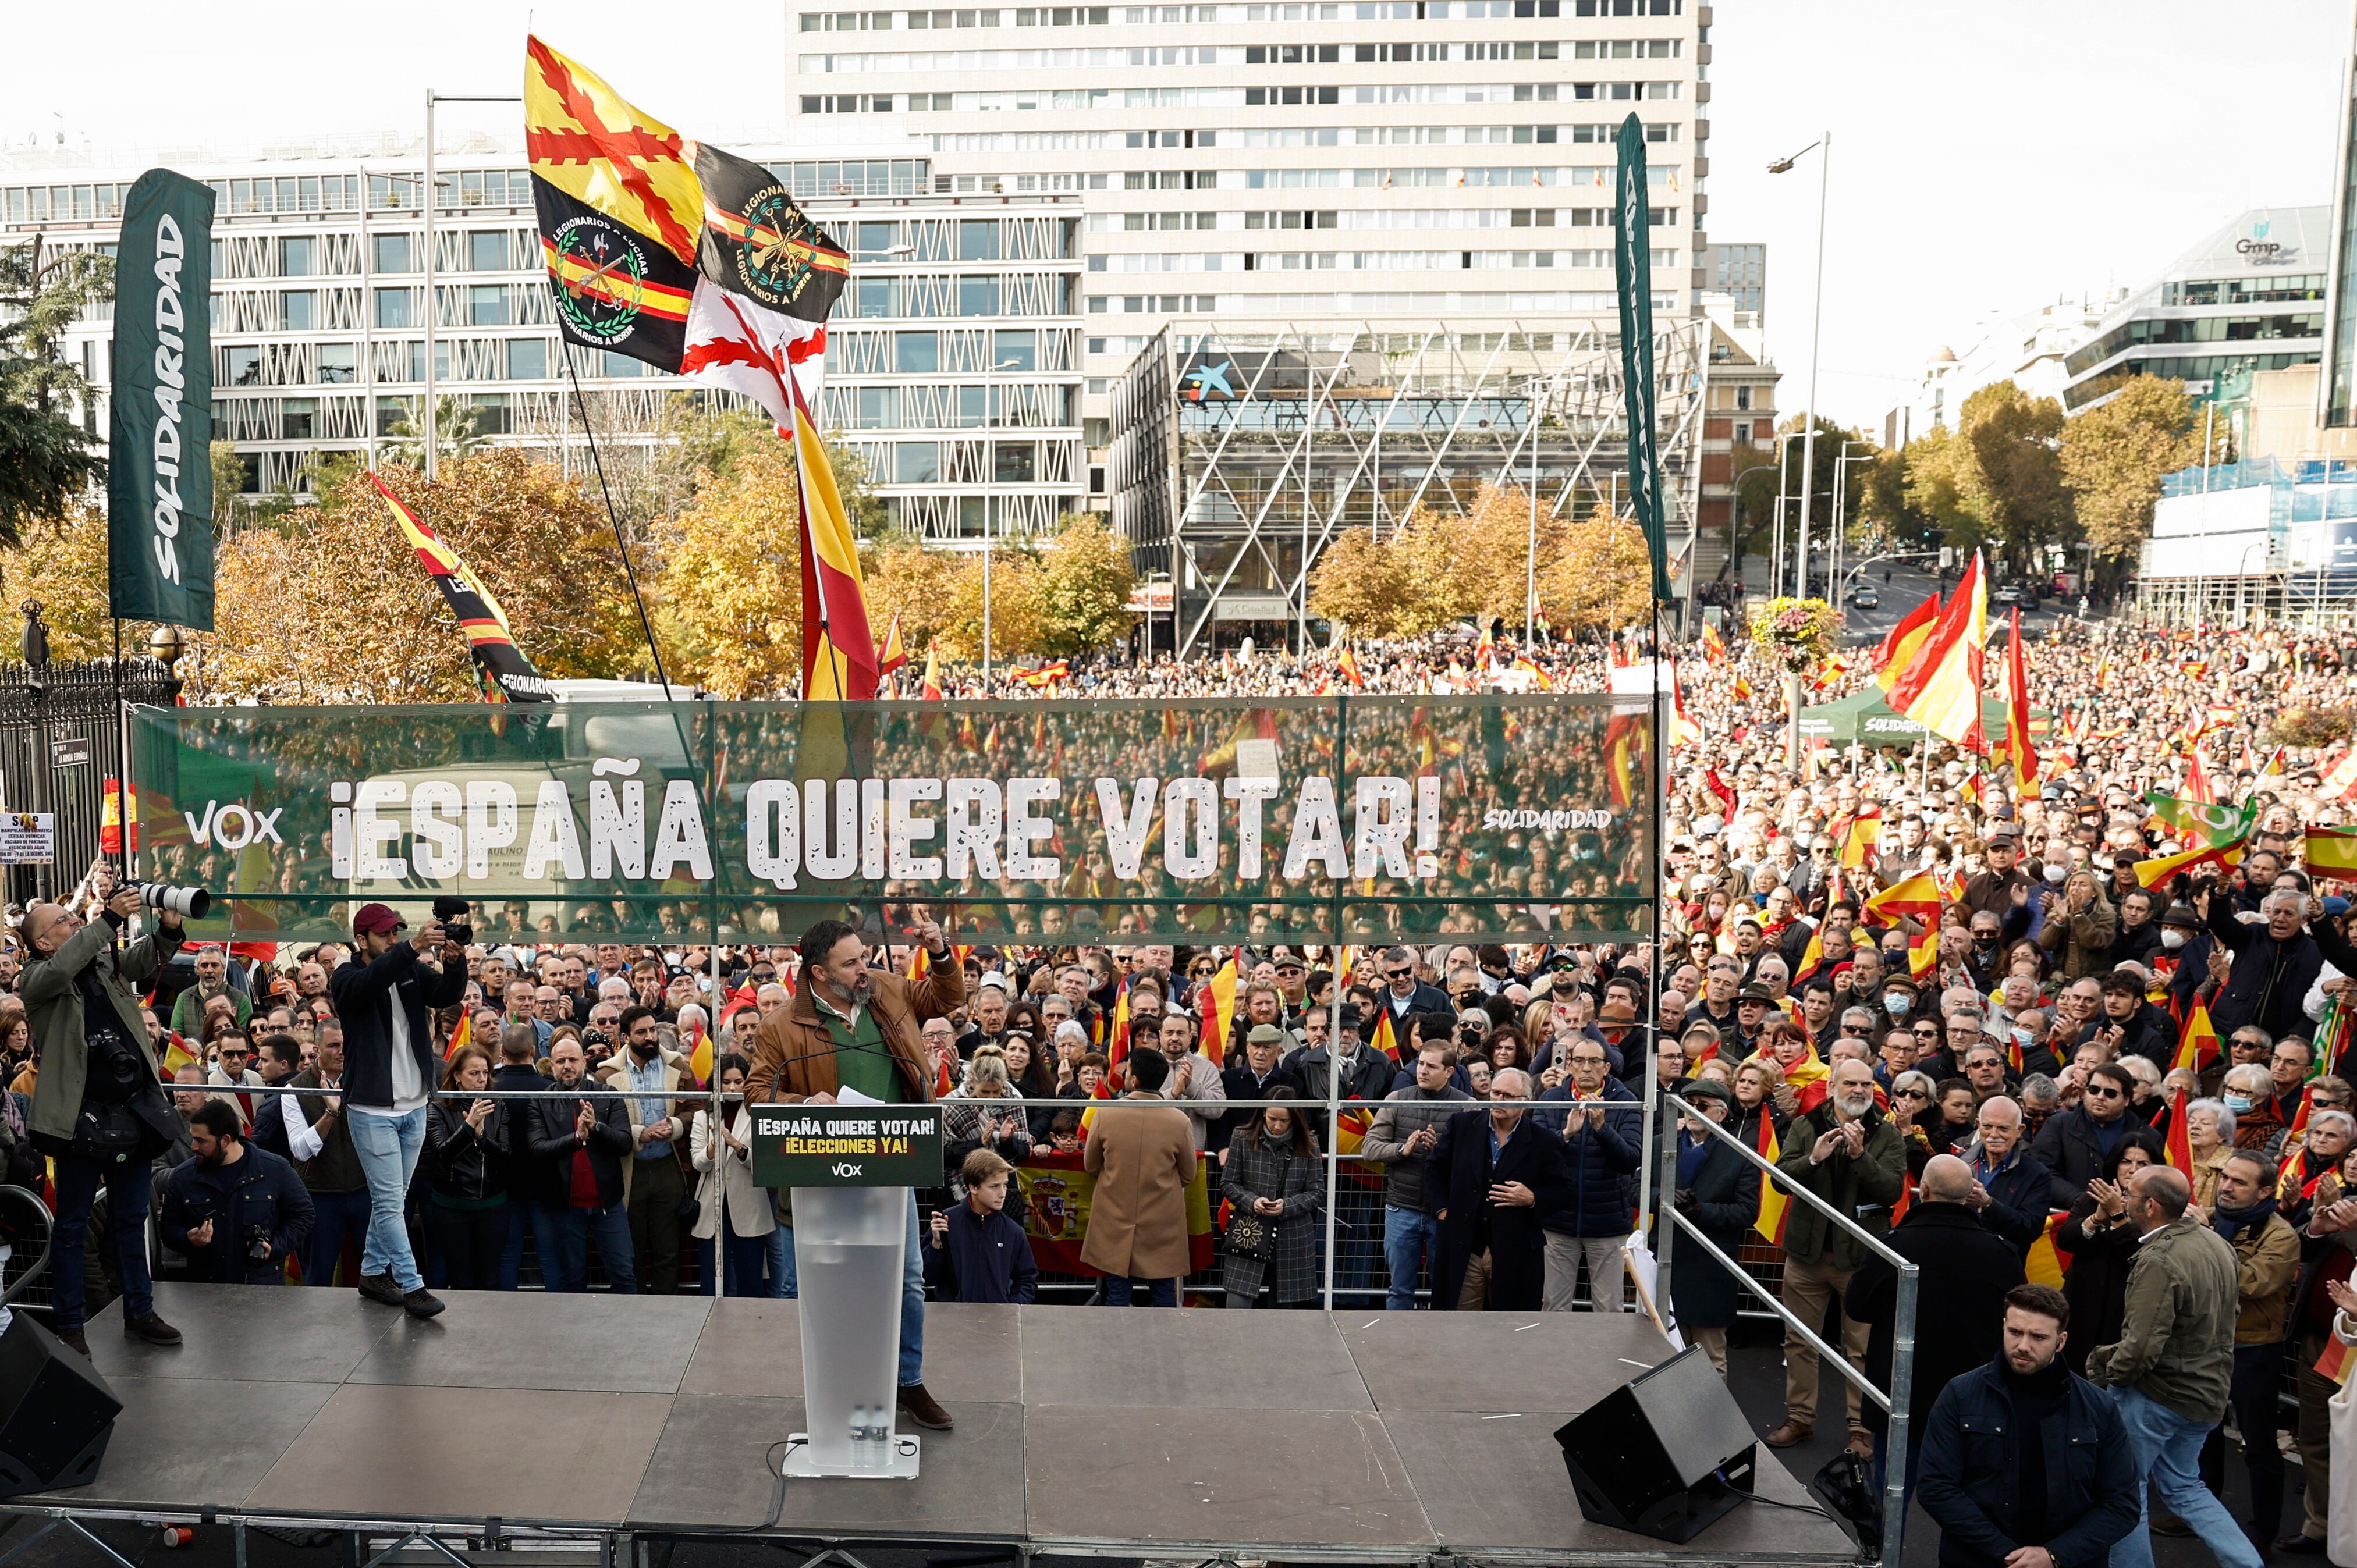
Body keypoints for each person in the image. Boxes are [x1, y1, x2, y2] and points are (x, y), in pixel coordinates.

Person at [743, 914, 963, 1431]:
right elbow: (756, 1093)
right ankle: (839, 1380)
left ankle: (907, 1380)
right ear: (820, 973)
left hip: (894, 1160)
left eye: (864, 956)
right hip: (826, 1171)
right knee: (836, 1282)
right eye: (851, 962)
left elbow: (942, 999)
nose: (865, 967)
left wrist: (939, 950)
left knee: (907, 1278)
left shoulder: (885, 988)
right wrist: (804, 1100)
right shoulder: (781, 1026)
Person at [23, 870, 188, 1356]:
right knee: (73, 1224)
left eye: (74, 918)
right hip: (78, 1119)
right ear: (42, 941)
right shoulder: (36, 977)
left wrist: (169, 928)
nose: (74, 922)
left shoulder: (97, 957)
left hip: (133, 1108)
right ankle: (71, 1322)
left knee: (132, 1216)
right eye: (63, 921)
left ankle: (139, 1310)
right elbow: (60, 970)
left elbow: (140, 959)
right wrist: (108, 917)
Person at [2083, 1163, 2260, 1568]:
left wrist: (2108, 1377)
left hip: (2157, 1396)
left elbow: (2141, 1347)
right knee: (2185, 1486)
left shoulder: (2160, 1259)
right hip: (2207, 1394)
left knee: (2125, 1492)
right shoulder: (2216, 1244)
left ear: (2151, 1205)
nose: (2122, 1199)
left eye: (2129, 1193)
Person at [1916, 1283, 2142, 1568]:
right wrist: (2009, 1556)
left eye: (2038, 1337)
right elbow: (1935, 1486)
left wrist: (2054, 1556)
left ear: (2060, 1342)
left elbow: (2122, 1505)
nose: (2023, 1346)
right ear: (2003, 1327)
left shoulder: (2098, 1407)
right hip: (1976, 1560)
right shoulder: (1960, 1395)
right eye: (2015, 1332)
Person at [1844, 1154, 2025, 1502]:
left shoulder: (1893, 1246)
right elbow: (2015, 1322)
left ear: (1922, 1190)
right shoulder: (2001, 1253)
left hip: (1901, 1397)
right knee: (1971, 1504)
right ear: (1972, 1193)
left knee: (1890, 1497)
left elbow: (1856, 1308)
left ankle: (1883, 1557)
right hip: (1972, 1403)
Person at [328, 902, 467, 1319]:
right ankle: (412, 1284)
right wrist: (411, 947)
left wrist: (456, 965)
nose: (393, 939)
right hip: (372, 1108)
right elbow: (369, 983)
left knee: (394, 1198)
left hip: (414, 1103)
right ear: (361, 939)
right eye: (386, 933)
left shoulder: (406, 967)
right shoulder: (346, 976)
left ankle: (372, 1272)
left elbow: (445, 995)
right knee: (390, 1202)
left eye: (397, 932)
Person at [1767, 1057, 1906, 1458]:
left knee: (1860, 1347)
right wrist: (1813, 1158)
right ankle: (1800, 1417)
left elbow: (1892, 1192)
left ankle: (1860, 1427)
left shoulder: (1888, 1133)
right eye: (1850, 1083)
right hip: (1807, 1254)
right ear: (1832, 1086)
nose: (1859, 1090)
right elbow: (1779, 1179)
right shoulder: (1806, 1124)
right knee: (1799, 1339)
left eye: (1866, 1083)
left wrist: (1862, 1156)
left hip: (1860, 1260)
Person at [2192, 1149, 2299, 1552]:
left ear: (2264, 1192)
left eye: (2239, 1181)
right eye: (2226, 1177)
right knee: (2204, 1434)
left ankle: (2264, 1530)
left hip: (2254, 1349)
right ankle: (2202, 1511)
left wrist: (2202, 1239)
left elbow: (2250, 1283)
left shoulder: (2281, 1235)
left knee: (2258, 1445)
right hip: (2209, 1342)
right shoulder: (2215, 1218)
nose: (2227, 1186)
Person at [1429, 1068, 1568, 1311]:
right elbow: (1434, 1168)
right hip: (1465, 1245)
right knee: (1457, 1326)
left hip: (1516, 1250)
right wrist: (1442, 1210)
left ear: (1525, 1102)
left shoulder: (1544, 1141)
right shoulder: (1462, 1126)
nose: (1499, 1100)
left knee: (1510, 1330)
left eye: (1507, 1096)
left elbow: (1563, 1191)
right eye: (1495, 1093)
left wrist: (1532, 1198)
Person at [1081, 1047, 1198, 1306]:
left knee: (1117, 1295)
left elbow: (1090, 1165)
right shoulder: (1179, 1121)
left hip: (1115, 1218)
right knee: (1164, 1296)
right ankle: (1162, 1348)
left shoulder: (1106, 1114)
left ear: (1134, 1080)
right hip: (1163, 1223)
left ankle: (1116, 1346)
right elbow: (1189, 1174)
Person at [1359, 1041, 1471, 1309]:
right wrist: (1402, 1149)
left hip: (1444, 1213)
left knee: (1445, 1289)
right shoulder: (1397, 1099)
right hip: (1401, 1209)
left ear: (1449, 1071)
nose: (1423, 1070)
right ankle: (1398, 1345)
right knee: (1399, 1290)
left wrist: (1440, 1152)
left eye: (1432, 1066)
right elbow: (1369, 1148)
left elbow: (1473, 1163)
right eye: (1421, 1063)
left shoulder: (1467, 1106)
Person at [1534, 1036, 1639, 1313]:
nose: (1586, 1068)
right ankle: (1556, 1357)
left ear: (1606, 1068)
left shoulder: (1625, 1101)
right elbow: (1535, 1157)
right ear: (1569, 1065)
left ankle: (1607, 1358)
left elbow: (1630, 1160)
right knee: (1554, 1306)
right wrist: (1566, 1135)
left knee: (1609, 1307)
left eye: (1594, 1062)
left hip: (1608, 1224)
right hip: (1559, 1221)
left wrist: (1602, 1128)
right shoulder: (1551, 1099)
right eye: (1579, 1061)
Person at [158, 1100, 314, 1286]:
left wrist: (274, 1247)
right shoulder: (184, 1177)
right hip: (204, 1291)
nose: (193, 1147)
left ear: (225, 1140)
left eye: (201, 1141)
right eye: (193, 1138)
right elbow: (168, 1228)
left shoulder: (274, 1169)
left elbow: (304, 1215)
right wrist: (188, 1238)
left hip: (261, 1288)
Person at [528, 1034, 637, 1294]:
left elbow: (625, 1143)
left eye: (573, 1060)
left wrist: (596, 1127)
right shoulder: (540, 1100)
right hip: (565, 1208)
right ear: (551, 1065)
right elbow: (537, 1150)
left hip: (608, 1206)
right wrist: (576, 1139)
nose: (567, 1065)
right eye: (560, 1061)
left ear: (584, 1062)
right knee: (572, 1280)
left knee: (624, 1274)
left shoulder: (608, 1094)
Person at [1663, 1078, 1758, 1376]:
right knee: (1662, 1356)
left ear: (1721, 1113)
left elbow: (1747, 1212)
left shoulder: (1741, 1155)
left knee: (1711, 1359)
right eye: (1687, 1105)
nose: (1693, 1112)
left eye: (1701, 1106)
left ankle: (1710, 1423)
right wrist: (1663, 1197)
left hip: (1712, 1266)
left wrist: (1702, 1211)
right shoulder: (1661, 1144)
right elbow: (1637, 1188)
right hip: (1669, 1260)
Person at [595, 1004, 691, 1295]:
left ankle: (667, 1309)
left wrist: (674, 1125)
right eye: (641, 1032)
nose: (650, 1037)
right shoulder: (606, 1074)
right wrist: (640, 1134)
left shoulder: (677, 1066)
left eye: (653, 1030)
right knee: (632, 1247)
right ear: (625, 1037)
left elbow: (699, 1108)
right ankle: (635, 1314)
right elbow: (602, 1122)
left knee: (668, 1247)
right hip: (629, 1170)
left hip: (667, 1166)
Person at [2060, 1139, 2163, 1374]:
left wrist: (2118, 1214)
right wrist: (2096, 1218)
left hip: (2126, 1304)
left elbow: (2141, 1252)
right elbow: (2066, 1240)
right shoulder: (2094, 1197)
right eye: (2126, 1161)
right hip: (2083, 1298)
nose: (2133, 1168)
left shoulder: (2157, 1206)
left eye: (2143, 1162)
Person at [1220, 1087, 1325, 1309]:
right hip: (1250, 1230)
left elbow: (1316, 1192)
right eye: (1272, 1119)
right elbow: (1228, 1183)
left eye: (1284, 1120)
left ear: (1295, 1118)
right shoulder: (1242, 1137)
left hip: (1292, 1236)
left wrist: (1287, 1206)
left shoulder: (1310, 1144)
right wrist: (1251, 1201)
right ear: (1263, 1114)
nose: (1277, 1126)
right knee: (1237, 1305)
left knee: (1283, 1315)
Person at [423, 1044, 510, 1291]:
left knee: (490, 1279)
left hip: (492, 1205)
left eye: (485, 1073)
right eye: (474, 1073)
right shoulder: (438, 1108)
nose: (482, 1079)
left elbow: (505, 1154)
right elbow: (443, 1152)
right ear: (457, 1075)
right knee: (460, 1279)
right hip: (452, 1207)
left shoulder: (498, 1106)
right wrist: (469, 1126)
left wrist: (482, 1139)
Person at [690, 1054, 776, 1297]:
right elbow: (699, 1164)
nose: (732, 1088)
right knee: (712, 1281)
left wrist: (736, 1145)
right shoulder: (702, 1116)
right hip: (711, 1210)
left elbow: (765, 1164)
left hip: (749, 1209)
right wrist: (713, 1147)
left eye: (739, 1082)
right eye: (726, 1082)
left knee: (751, 1281)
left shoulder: (758, 1114)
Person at [924, 1147, 1038, 1304]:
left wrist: (1009, 1309)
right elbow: (926, 1277)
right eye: (994, 1186)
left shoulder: (1013, 1232)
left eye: (1005, 1185)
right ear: (973, 1188)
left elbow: (1027, 1280)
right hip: (952, 1321)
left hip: (998, 1323)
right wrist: (936, 1245)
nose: (1003, 1193)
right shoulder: (946, 1223)